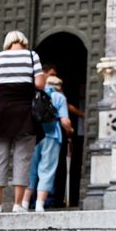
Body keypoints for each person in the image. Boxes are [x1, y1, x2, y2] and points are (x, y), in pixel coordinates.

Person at [0, 30, 45, 213]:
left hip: (1, 114)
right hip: (25, 114)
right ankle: (18, 205)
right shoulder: (32, 56)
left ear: (7, 43)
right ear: (23, 42)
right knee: (22, 158)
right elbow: (40, 84)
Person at [22, 76, 74, 212]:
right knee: (47, 169)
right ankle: (40, 204)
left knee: (30, 170)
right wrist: (70, 130)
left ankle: (25, 203)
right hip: (51, 136)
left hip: (32, 135)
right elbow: (65, 121)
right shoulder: (59, 97)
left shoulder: (33, 94)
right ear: (59, 86)